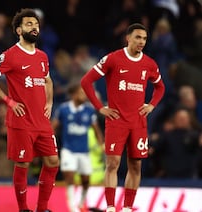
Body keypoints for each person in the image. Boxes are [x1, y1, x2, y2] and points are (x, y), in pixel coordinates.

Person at [80, 23, 165, 212]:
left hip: (138, 122)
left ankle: (127, 208)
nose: (141, 42)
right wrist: (100, 108)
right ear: (128, 38)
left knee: (135, 166)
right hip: (116, 120)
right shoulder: (113, 59)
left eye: (144, 38)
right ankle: (110, 207)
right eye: (137, 37)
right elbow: (86, 81)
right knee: (113, 163)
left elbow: (161, 87)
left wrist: (151, 106)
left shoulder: (149, 64)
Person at [0, 8, 59, 212]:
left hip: (41, 121)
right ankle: (24, 208)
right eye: (29, 24)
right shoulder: (11, 55)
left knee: (52, 162)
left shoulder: (42, 56)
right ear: (18, 30)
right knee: (23, 164)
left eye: (36, 24)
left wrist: (49, 103)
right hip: (21, 121)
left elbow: (48, 81)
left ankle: (42, 208)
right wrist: (9, 101)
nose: (34, 27)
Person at [52, 83, 104, 212]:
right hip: (68, 150)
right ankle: (72, 207)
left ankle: (81, 202)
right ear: (74, 94)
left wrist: (101, 143)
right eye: (81, 93)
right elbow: (53, 127)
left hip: (83, 151)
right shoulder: (63, 109)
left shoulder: (89, 110)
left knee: (86, 180)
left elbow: (96, 129)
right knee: (69, 177)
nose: (84, 96)